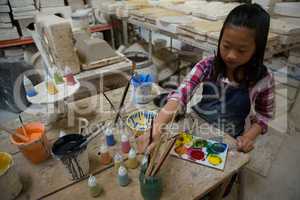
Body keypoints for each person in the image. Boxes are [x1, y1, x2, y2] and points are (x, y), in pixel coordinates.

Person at [143, 3, 275, 153]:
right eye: (226, 46)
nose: (231, 55)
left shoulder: (263, 78)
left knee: (223, 163)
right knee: (167, 147)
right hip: (197, 121)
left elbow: (263, 116)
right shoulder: (208, 65)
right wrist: (157, 125)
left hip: (228, 134)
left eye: (241, 50)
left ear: (257, 50)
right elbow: (180, 95)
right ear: (220, 41)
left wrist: (248, 137)